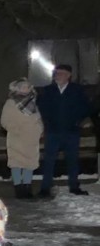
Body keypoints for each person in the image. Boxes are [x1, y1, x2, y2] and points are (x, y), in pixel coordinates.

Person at [36, 64, 90, 197]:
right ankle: (45, 188)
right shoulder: (48, 90)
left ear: (68, 75)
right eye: (56, 73)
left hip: (71, 131)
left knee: (72, 160)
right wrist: (48, 122)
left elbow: (86, 107)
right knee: (49, 161)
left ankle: (74, 186)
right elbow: (42, 107)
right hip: (53, 132)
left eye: (61, 73)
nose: (57, 76)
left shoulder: (77, 90)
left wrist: (77, 121)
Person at [0, 78, 43, 199]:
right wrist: (16, 130)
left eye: (28, 86)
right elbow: (5, 121)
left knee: (30, 163)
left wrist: (39, 129)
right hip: (17, 138)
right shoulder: (11, 103)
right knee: (17, 163)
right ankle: (19, 188)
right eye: (23, 87)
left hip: (31, 138)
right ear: (17, 88)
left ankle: (27, 187)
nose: (26, 89)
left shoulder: (33, 102)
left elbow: (38, 118)